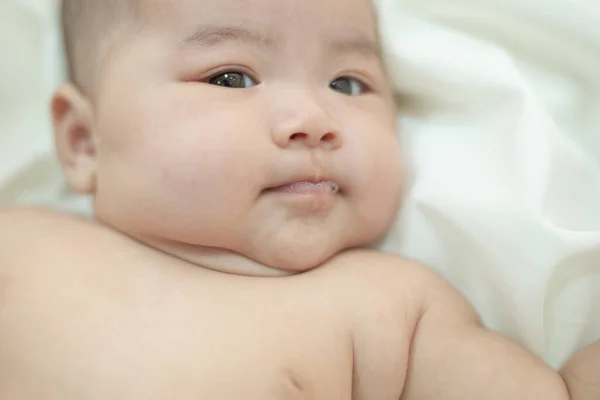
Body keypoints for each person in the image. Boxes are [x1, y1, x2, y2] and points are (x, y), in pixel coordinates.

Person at [0, 0, 597, 398]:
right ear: (83, 142)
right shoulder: (19, 244)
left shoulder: (392, 308)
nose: (313, 119)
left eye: (347, 83)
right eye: (231, 77)